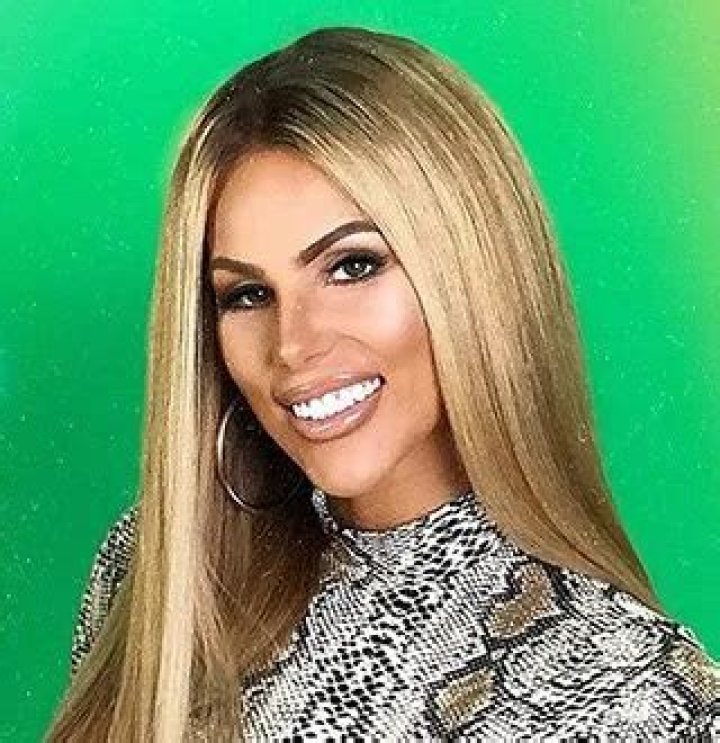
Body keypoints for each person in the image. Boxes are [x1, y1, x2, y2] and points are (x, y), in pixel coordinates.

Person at [47, 25, 719, 741]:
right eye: (247, 294)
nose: (293, 344)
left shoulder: (635, 695)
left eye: (353, 266)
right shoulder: (160, 568)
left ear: (477, 274)